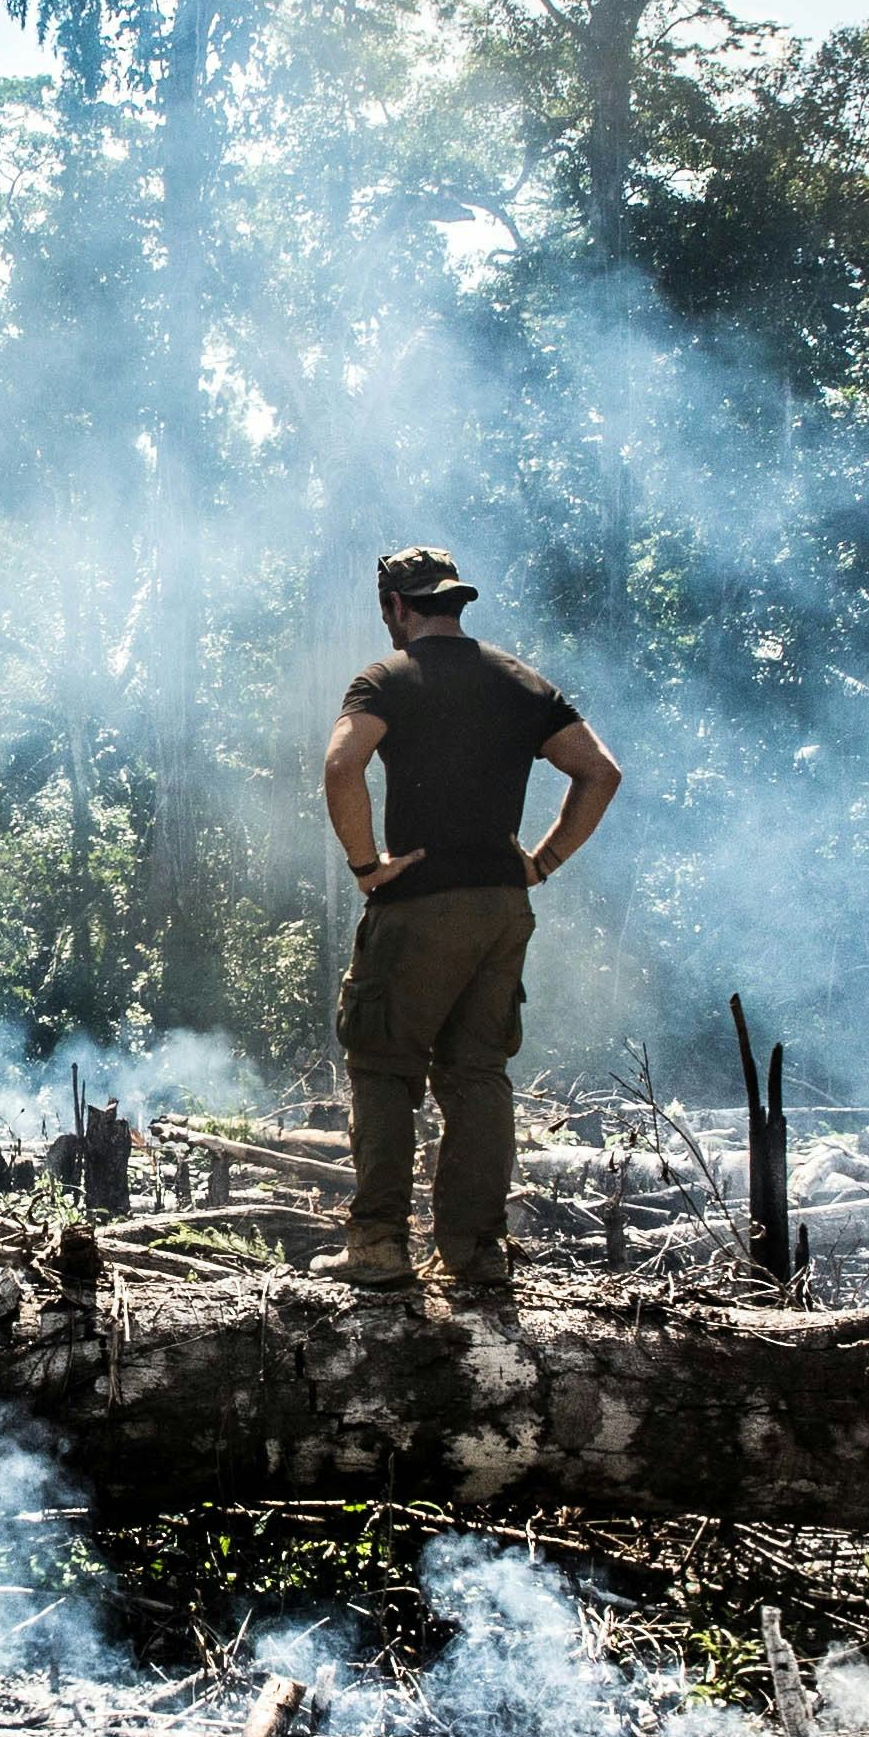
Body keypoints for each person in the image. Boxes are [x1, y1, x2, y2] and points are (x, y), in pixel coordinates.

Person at [318, 544, 620, 1291]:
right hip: (500, 908)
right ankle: (473, 1254)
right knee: (477, 1075)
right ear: (455, 600)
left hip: (419, 903)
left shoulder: (387, 678)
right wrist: (539, 862)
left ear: (394, 605)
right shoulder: (518, 681)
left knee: (385, 1066)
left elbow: (340, 764)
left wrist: (366, 867)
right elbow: (599, 772)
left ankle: (379, 1247)